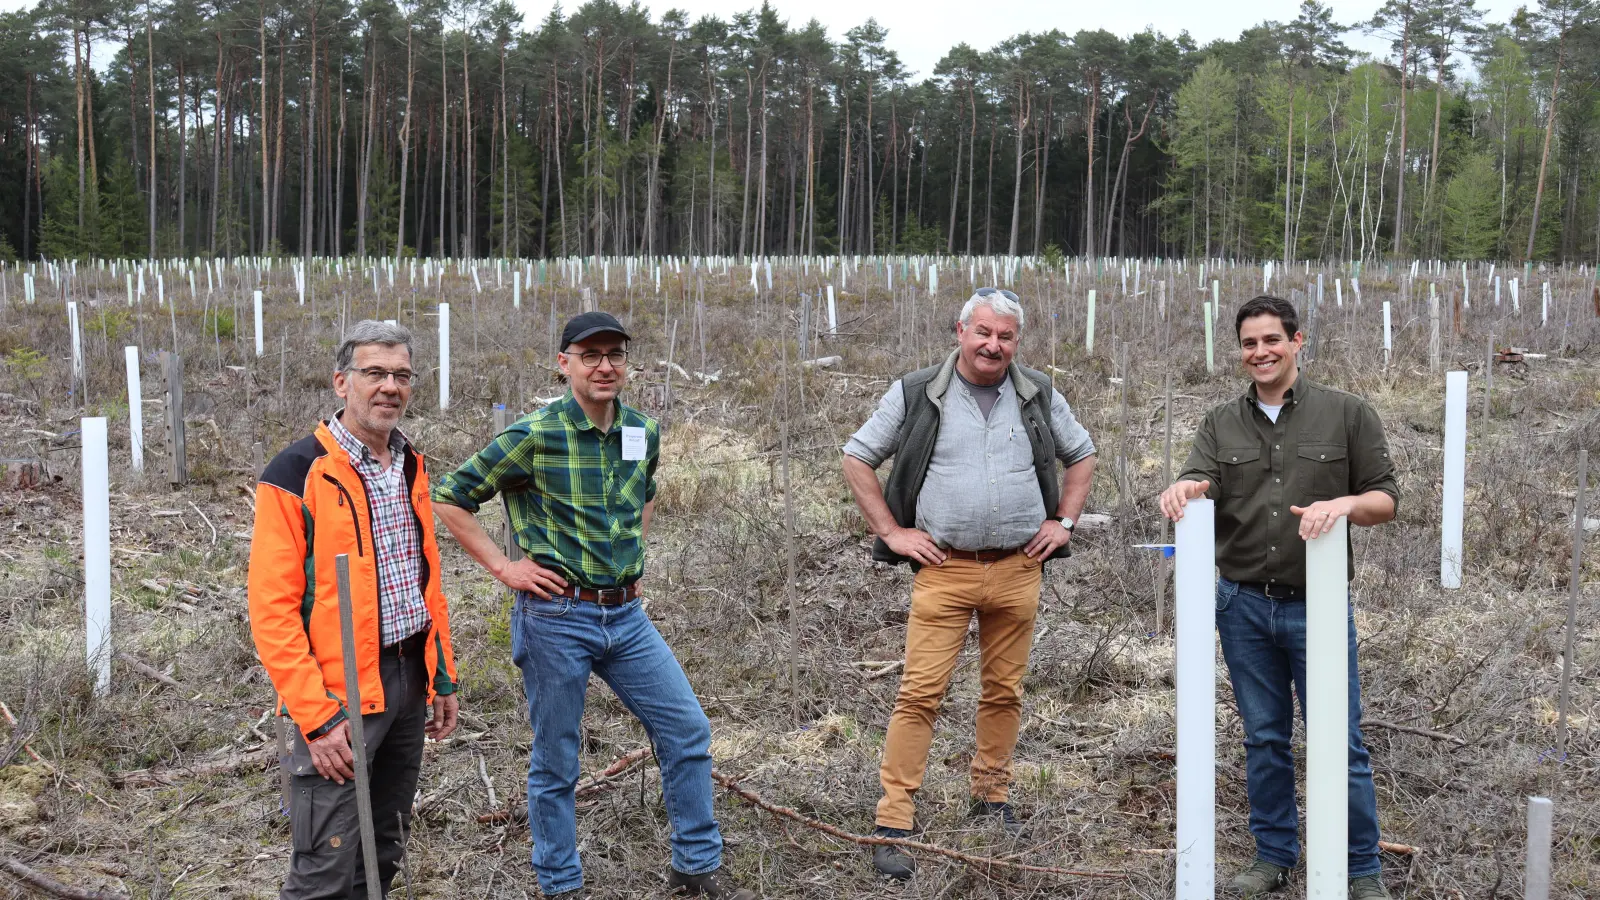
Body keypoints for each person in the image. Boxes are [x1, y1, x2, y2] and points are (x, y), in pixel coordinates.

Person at [431, 311, 756, 900]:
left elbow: (646, 493)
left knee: (686, 730)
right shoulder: (533, 434)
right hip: (556, 617)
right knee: (557, 756)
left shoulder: (642, 431)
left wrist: (624, 557)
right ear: (565, 364)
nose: (605, 367)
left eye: (615, 355)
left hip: (627, 617)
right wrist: (506, 568)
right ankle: (560, 882)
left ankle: (697, 865)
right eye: (590, 356)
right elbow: (452, 497)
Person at [841, 288, 1097, 881]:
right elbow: (858, 457)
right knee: (919, 694)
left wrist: (1063, 523)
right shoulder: (917, 392)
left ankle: (991, 799)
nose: (993, 345)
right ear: (959, 331)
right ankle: (893, 820)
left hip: (1018, 568)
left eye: (1005, 336)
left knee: (1004, 692)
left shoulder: (1036, 392)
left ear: (1017, 341)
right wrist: (893, 532)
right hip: (945, 569)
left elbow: (1081, 456)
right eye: (983, 332)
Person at [1159, 295, 1398, 900]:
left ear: (1298, 341)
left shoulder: (1347, 414)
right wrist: (1186, 488)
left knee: (1339, 738)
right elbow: (1201, 478)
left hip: (1314, 607)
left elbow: (1384, 499)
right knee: (1264, 736)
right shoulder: (1219, 422)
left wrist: (1343, 504)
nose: (1260, 353)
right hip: (1241, 606)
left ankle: (1360, 866)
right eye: (1248, 344)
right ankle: (1273, 854)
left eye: (1271, 340)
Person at [249, 320, 461, 898]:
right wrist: (317, 718)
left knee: (384, 845)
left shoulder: (410, 464)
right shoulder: (295, 473)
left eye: (401, 375)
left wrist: (440, 674)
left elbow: (424, 581)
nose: (389, 387)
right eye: (374, 373)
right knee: (327, 859)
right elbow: (271, 611)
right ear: (341, 383)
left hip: (409, 677)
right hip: (339, 695)